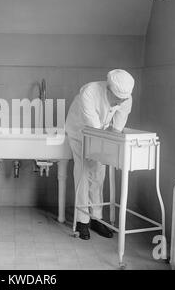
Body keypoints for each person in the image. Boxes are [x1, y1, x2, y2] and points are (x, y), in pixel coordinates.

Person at [65, 69, 135, 240]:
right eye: (117, 98)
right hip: (79, 131)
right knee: (83, 172)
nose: (119, 102)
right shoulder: (89, 92)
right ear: (108, 89)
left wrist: (109, 151)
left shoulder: (126, 99)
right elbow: (93, 129)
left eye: (122, 99)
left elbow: (116, 129)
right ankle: (82, 220)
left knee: (98, 174)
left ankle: (97, 217)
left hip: (100, 132)